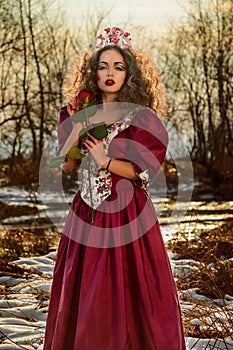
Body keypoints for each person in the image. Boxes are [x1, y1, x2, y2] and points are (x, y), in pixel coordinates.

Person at [43, 27, 186, 350]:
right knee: (85, 295)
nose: (110, 73)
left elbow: (142, 171)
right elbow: (63, 165)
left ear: (129, 74)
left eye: (118, 67)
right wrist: (75, 130)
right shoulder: (75, 113)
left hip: (127, 213)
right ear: (93, 72)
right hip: (85, 212)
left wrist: (105, 159)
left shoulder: (141, 118)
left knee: (131, 294)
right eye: (103, 66)